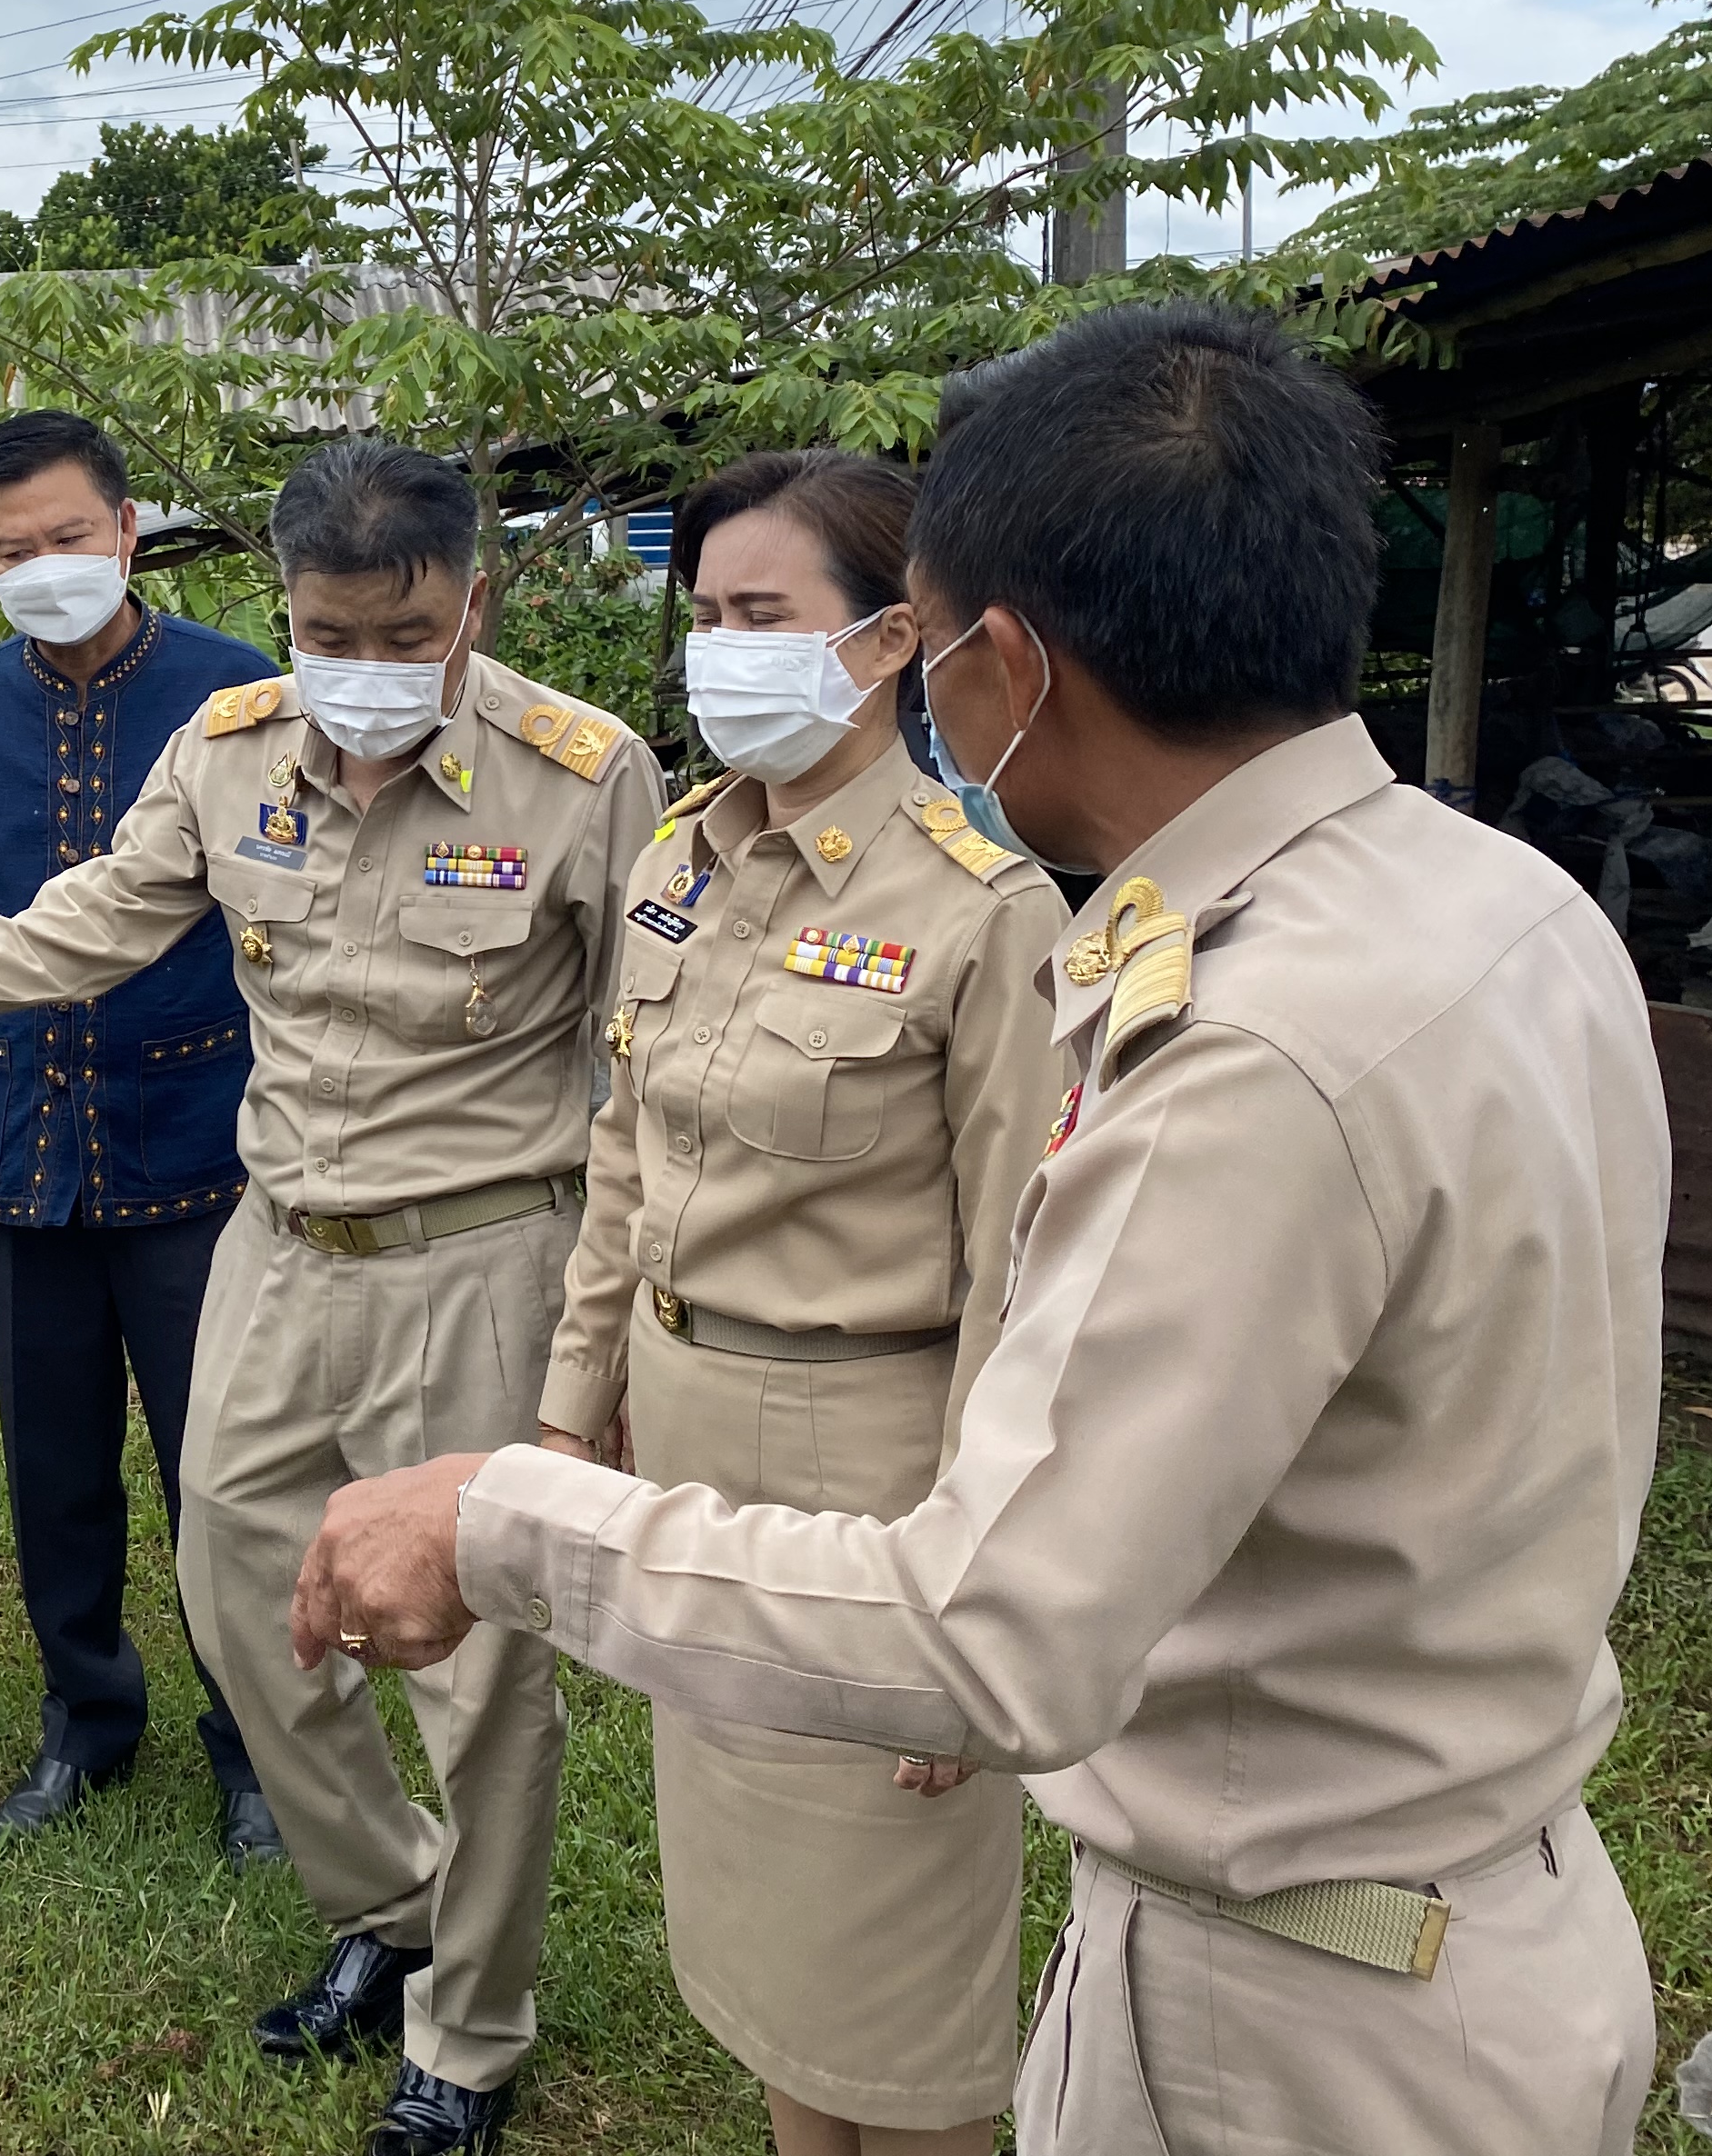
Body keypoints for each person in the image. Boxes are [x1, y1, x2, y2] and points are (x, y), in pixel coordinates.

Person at [293, 304, 1668, 2156]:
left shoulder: (1243, 1048)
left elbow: (990, 1635)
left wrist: (498, 1516)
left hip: (1295, 2013)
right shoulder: (1503, 905)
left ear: (1005, 665)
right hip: (1475, 1906)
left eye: (924, 647)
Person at [0, 437, 664, 2156]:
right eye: (332, 634)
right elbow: (96, 917)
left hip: (479, 1260)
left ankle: (471, 2027)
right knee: (241, 1600)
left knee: (473, 1663)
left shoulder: (583, 774)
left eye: (407, 637)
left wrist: (602, 1340)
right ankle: (388, 1908)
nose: (367, 672)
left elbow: (643, 1067)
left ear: (470, 608)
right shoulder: (229, 749)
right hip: (276, 1244)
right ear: (284, 610)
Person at [544, 452, 1062, 2156]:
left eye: (761, 614)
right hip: (688, 1428)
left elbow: (1018, 1275)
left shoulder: (981, 911)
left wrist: (975, 1589)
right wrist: (570, 1413)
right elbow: (626, 1154)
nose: (719, 651)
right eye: (704, 615)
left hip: (872, 1464)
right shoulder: (683, 862)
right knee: (763, 1918)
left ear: (890, 639)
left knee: (894, 1958)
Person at [0, 411, 279, 1858]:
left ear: (126, 530)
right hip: (16, 1146)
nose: (45, 565)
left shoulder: (238, 690)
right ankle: (86, 1720)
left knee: (219, 1474)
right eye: (13, 549)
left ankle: (257, 1746)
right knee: (53, 1469)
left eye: (68, 536)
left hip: (199, 1147)